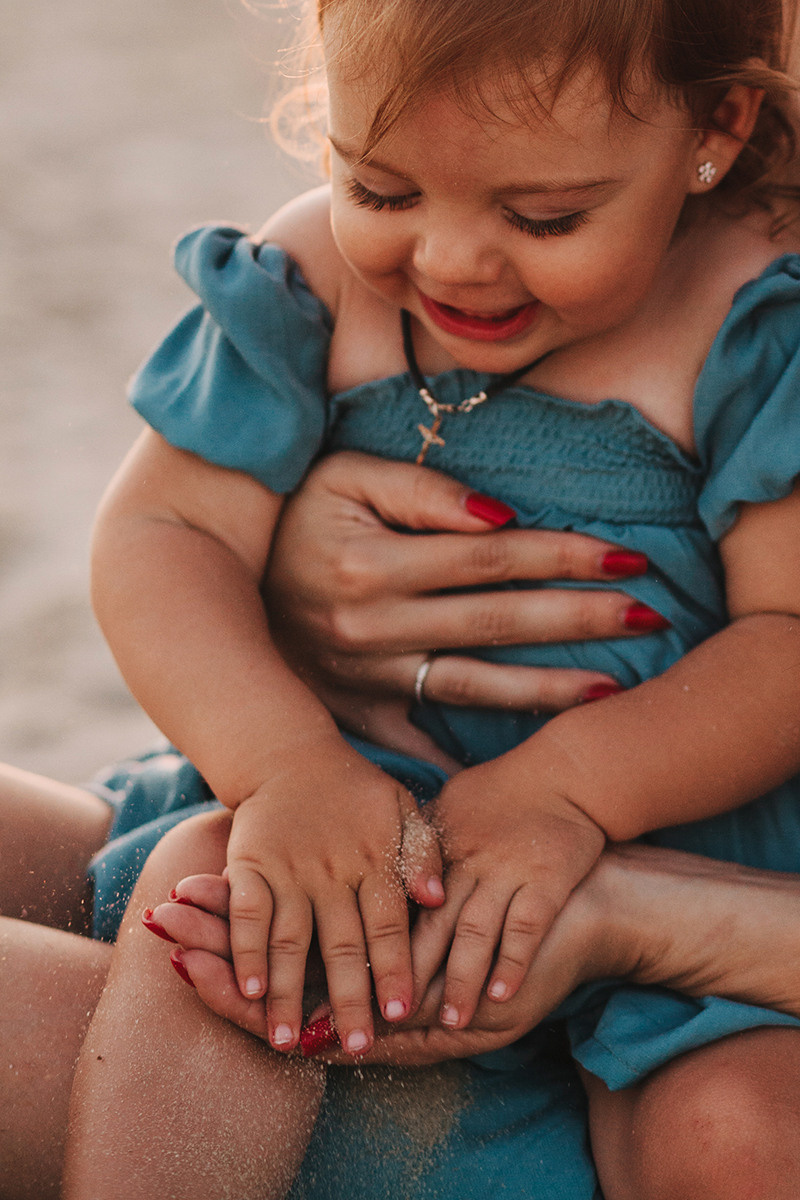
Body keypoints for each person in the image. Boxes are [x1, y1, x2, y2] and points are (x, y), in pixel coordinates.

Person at [36, 0, 800, 1193]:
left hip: (655, 873)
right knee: (222, 908)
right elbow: (163, 533)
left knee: (733, 1126)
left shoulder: (752, 326)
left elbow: (784, 641)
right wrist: (283, 763)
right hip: (323, 804)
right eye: (381, 190)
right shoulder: (313, 282)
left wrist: (565, 788)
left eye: (543, 216)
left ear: (715, 124)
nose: (447, 261)